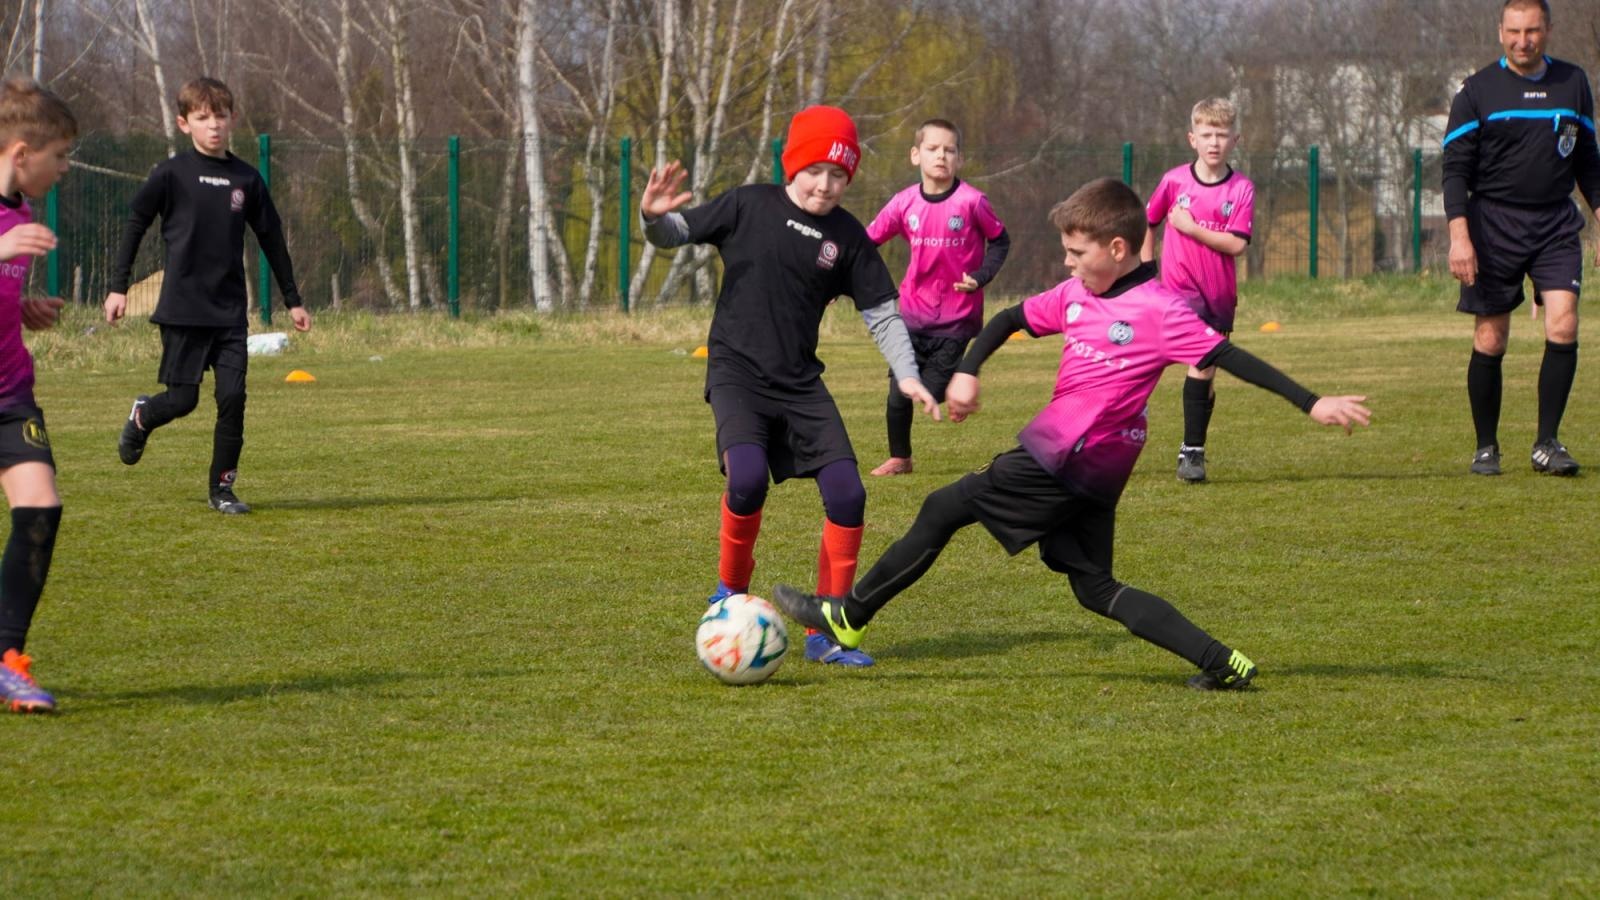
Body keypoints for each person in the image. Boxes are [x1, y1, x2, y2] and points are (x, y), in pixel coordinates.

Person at [773, 178, 1371, 689]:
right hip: (1097, 473)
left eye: (1076, 251)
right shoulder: (1079, 293)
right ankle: (1223, 662)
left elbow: (1231, 356)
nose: (1067, 262)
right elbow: (1009, 318)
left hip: (1063, 459)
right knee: (1094, 587)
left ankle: (848, 616)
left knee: (944, 506)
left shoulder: (1161, 310)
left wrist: (1311, 402)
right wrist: (966, 373)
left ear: (1117, 247)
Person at [640, 105, 938, 667]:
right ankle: (730, 592)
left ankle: (825, 630)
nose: (826, 185)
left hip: (801, 383)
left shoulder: (847, 236)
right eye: (816, 170)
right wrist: (652, 217)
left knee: (850, 494)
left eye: (839, 176)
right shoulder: (747, 203)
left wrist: (908, 375)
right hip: (737, 374)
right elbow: (673, 232)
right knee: (747, 478)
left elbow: (882, 313)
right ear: (792, 165)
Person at [104, 76, 311, 514]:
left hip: (230, 312)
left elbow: (272, 238)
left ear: (232, 119)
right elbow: (135, 224)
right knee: (183, 400)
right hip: (182, 310)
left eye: (220, 116)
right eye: (202, 118)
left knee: (233, 398)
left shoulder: (246, 179)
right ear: (184, 124)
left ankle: (223, 489)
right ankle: (143, 415)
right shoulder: (170, 175)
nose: (213, 125)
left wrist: (293, 298)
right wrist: (118, 286)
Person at [1442, 0, 1600, 477]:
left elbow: (1588, 160)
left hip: (1555, 223)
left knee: (1564, 324)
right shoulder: (1477, 90)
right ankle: (1486, 446)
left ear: (1548, 29)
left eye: (1532, 31)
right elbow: (1454, 171)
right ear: (1500, 32)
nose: (1522, 40)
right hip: (1493, 226)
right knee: (1492, 337)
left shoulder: (1573, 83)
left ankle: (1547, 443)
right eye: (1513, 31)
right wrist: (1459, 236)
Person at [864, 117, 1009, 477]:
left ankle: (957, 387)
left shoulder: (972, 202)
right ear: (916, 155)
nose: (941, 156)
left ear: (959, 158)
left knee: (929, 389)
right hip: (912, 314)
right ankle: (901, 458)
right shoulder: (903, 203)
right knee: (899, 391)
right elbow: (866, 244)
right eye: (932, 149)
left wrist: (979, 277)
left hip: (957, 318)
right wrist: (836, 283)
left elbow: (1000, 241)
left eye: (949, 150)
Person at [0, 77, 76, 712]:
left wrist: (23, 308)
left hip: (11, 392)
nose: (66, 168)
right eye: (59, 156)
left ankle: (6, 659)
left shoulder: (23, 214)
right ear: (22, 153)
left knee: (41, 507)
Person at [1142, 98, 1255, 483]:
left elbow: (1237, 244)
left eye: (1222, 135)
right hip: (1173, 292)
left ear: (1234, 139)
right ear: (1192, 138)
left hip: (1217, 297)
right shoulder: (1174, 181)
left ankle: (1192, 450)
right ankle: (1117, 426)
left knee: (1203, 367)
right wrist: (1144, 271)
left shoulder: (1241, 189)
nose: (1214, 142)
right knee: (1149, 360)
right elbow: (1148, 221)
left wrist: (1191, 229)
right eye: (1206, 134)